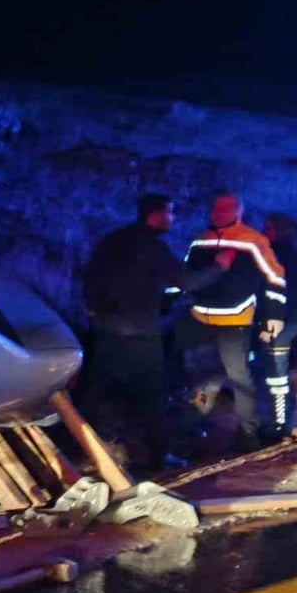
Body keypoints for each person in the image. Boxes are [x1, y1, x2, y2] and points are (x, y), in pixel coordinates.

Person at [80, 194, 228, 472]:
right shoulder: (153, 247)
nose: (172, 220)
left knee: (98, 392)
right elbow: (187, 281)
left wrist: (96, 314)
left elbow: (90, 280)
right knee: (150, 395)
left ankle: (95, 452)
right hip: (140, 335)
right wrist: (220, 265)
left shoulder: (112, 241)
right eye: (170, 214)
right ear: (156, 215)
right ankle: (157, 457)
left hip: (106, 332)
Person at [176, 192, 287, 450]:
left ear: (238, 211)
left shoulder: (252, 240)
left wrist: (273, 315)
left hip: (234, 320)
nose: (218, 213)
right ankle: (192, 430)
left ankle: (249, 432)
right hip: (198, 318)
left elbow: (275, 278)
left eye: (225, 208)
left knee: (239, 377)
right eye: (215, 208)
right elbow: (185, 274)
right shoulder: (199, 240)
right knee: (195, 375)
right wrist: (168, 300)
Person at [258, 213, 297, 441]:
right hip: (293, 320)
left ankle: (279, 425)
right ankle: (279, 422)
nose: (264, 231)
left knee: (276, 372)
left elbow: (278, 291)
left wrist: (272, 321)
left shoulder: (280, 254)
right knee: (278, 370)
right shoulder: (295, 254)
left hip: (283, 322)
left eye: (268, 227)